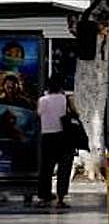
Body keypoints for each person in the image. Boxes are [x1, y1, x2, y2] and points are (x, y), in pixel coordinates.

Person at [36, 74, 74, 208]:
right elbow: (75, 113)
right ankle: (61, 199)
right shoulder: (65, 99)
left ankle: (44, 197)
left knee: (46, 168)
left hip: (47, 136)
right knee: (64, 168)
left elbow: (39, 114)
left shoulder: (43, 100)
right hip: (63, 136)